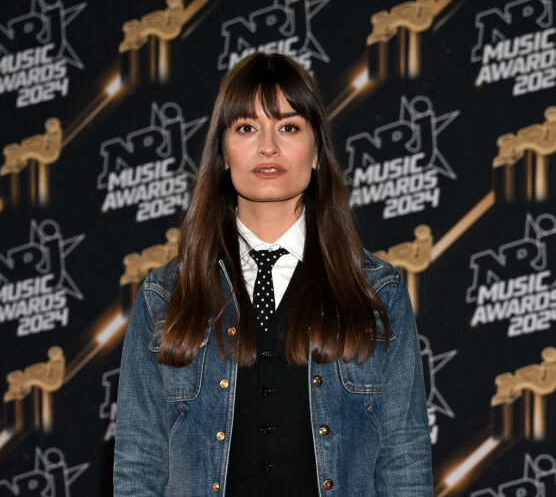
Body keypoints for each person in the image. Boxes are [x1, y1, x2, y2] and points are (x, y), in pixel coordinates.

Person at [113, 53, 433, 496]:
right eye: (246, 128)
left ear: (316, 149)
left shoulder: (375, 291)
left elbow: (404, 458)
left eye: (288, 127)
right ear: (223, 153)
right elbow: (139, 462)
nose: (268, 147)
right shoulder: (165, 297)